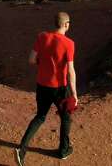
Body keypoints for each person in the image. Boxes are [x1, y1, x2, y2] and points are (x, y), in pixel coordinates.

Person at [15, 11, 77, 165]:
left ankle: (21, 150)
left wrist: (43, 64)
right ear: (66, 24)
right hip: (59, 88)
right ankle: (63, 150)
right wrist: (74, 93)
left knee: (40, 116)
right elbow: (71, 71)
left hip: (42, 85)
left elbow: (31, 60)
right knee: (66, 117)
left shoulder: (42, 37)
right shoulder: (69, 43)